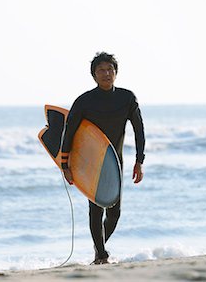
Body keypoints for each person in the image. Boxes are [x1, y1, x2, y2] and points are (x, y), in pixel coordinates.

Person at [61, 52, 145, 265]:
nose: (106, 74)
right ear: (94, 75)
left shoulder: (127, 98)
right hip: (89, 162)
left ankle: (99, 249)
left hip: (115, 162)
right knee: (95, 209)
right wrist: (65, 164)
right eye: (101, 70)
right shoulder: (84, 101)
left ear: (116, 73)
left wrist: (139, 160)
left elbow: (139, 129)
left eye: (110, 69)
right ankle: (102, 254)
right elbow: (68, 132)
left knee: (114, 212)